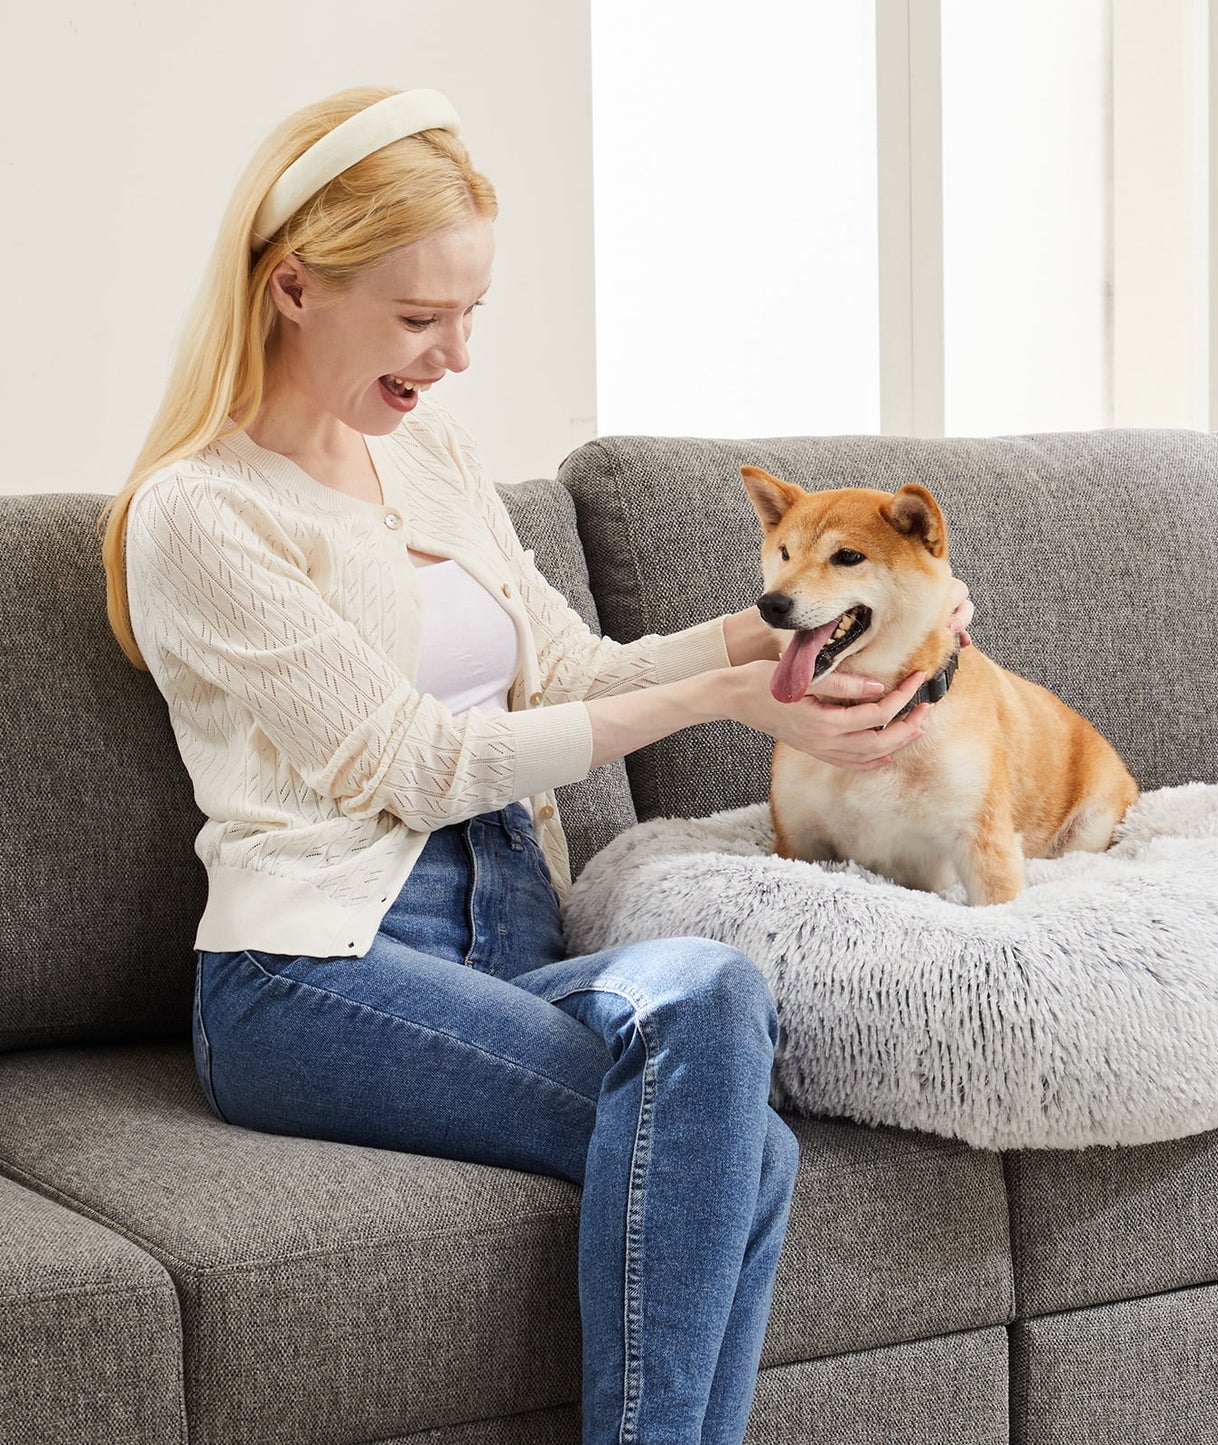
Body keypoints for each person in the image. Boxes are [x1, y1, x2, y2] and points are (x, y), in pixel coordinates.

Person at [99, 86, 972, 1445]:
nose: (452, 355)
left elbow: (565, 672)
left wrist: (799, 630)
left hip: (504, 935)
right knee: (740, 1152)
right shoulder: (200, 515)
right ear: (291, 287)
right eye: (417, 317)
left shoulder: (430, 453)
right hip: (313, 969)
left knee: (714, 996)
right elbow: (418, 761)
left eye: (470, 314)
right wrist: (721, 698)